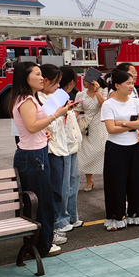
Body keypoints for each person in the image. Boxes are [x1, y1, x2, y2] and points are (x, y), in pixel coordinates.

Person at [11, 62, 73, 257]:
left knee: (38, 201)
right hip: (32, 156)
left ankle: (38, 243)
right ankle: (41, 245)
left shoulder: (28, 98)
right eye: (36, 74)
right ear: (25, 77)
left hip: (34, 152)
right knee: (40, 202)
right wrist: (56, 115)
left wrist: (43, 133)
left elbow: (31, 128)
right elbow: (31, 126)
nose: (41, 78)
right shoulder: (26, 99)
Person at [101, 69, 139, 230]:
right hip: (116, 147)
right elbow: (110, 129)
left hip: (135, 145)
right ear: (117, 85)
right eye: (128, 83)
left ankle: (137, 215)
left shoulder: (136, 102)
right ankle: (115, 218)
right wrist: (131, 125)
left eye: (132, 83)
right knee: (116, 183)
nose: (131, 86)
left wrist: (122, 123)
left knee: (136, 181)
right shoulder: (108, 104)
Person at [37, 64, 71, 246]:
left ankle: (54, 225)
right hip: (47, 149)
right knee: (51, 191)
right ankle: (50, 229)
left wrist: (65, 112)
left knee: (58, 189)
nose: (58, 86)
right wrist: (58, 113)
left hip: (59, 147)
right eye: (56, 82)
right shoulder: (35, 99)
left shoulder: (54, 97)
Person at [55, 66, 83, 232]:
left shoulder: (66, 96)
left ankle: (72, 216)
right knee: (65, 185)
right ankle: (63, 219)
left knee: (72, 182)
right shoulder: (58, 97)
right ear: (72, 81)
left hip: (71, 144)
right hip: (63, 146)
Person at [76, 76, 108, 192]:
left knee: (102, 152)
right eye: (84, 80)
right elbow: (77, 110)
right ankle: (89, 181)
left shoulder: (103, 91)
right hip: (86, 127)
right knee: (87, 153)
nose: (84, 82)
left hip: (100, 125)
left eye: (87, 80)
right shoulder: (80, 94)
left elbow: (104, 105)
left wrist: (97, 91)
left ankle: (108, 179)